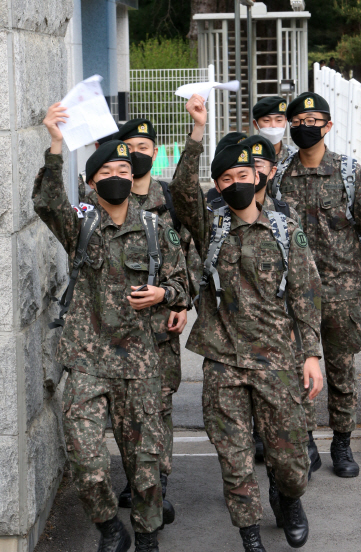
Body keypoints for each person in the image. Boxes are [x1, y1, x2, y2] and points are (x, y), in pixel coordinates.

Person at [169, 94, 323, 551]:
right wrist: (197, 132)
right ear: (218, 184)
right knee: (233, 456)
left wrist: (311, 354)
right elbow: (180, 191)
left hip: (277, 360)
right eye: (226, 177)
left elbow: (306, 295)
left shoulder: (284, 230)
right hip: (224, 361)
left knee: (291, 458)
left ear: (260, 177)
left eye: (243, 174)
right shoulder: (210, 225)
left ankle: (288, 496)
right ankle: (249, 533)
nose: (236, 182)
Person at [33, 103, 189, 552]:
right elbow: (45, 201)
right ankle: (108, 526)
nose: (120, 174)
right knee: (85, 459)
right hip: (87, 359)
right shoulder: (79, 224)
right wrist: (55, 145)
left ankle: (146, 536)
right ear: (94, 180)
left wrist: (165, 295)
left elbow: (182, 284)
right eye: (110, 169)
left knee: (145, 463)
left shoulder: (157, 227)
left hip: (141, 362)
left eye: (127, 166)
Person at [277, 91, 361, 478]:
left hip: (342, 291)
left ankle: (342, 443)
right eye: (298, 121)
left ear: (328, 125)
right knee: (298, 372)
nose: (306, 127)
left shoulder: (349, 172)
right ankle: (307, 442)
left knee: (342, 371)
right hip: (295, 294)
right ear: (290, 126)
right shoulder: (278, 176)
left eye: (314, 121)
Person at [113, 119, 197, 521]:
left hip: (162, 319)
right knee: (126, 407)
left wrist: (183, 303)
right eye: (130, 146)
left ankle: (157, 484)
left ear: (156, 149)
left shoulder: (170, 199)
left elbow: (191, 252)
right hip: (117, 328)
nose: (139, 152)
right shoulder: (104, 198)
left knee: (159, 404)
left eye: (145, 145)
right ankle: (135, 475)